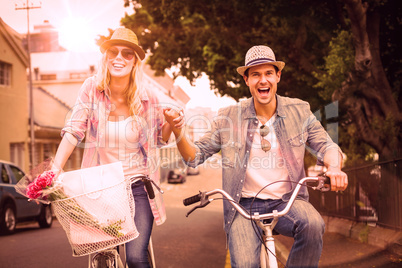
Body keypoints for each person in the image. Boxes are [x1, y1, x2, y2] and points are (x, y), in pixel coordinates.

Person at [164, 45, 348, 267]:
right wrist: (178, 132)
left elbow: (327, 146)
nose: (263, 80)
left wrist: (334, 168)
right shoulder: (228, 117)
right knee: (243, 264)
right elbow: (194, 157)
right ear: (247, 80)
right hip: (243, 206)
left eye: (268, 73)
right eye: (256, 75)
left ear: (278, 76)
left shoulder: (299, 111)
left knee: (313, 224)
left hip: (288, 201)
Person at [51, 27, 183, 268]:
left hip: (137, 186)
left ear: (135, 62)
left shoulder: (147, 97)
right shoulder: (92, 89)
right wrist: (54, 170)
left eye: (127, 54)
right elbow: (74, 130)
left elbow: (159, 139)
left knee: (135, 257)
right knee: (102, 255)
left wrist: (172, 125)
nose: (119, 58)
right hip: (100, 188)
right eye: (114, 52)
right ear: (106, 56)